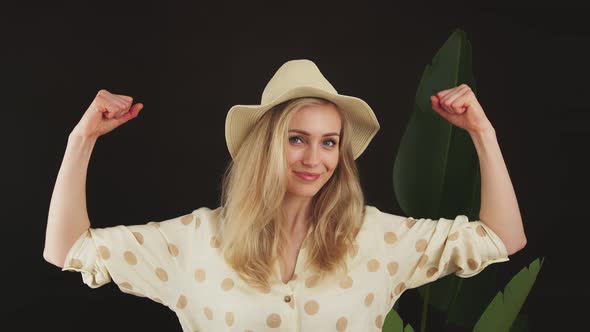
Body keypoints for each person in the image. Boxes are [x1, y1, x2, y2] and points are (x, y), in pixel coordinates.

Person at [43, 59, 526, 331]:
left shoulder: (377, 237)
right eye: (297, 138)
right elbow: (66, 250)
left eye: (329, 142)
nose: (313, 158)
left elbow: (501, 239)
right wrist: (80, 140)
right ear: (267, 144)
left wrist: (482, 133)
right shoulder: (195, 240)